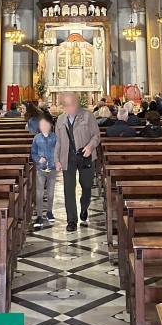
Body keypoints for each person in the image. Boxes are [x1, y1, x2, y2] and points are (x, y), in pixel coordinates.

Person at [54, 91, 101, 232]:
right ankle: (71, 220)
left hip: (85, 156)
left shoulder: (88, 116)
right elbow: (58, 141)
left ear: (77, 103)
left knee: (87, 185)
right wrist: (56, 160)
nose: (70, 107)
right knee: (68, 188)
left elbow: (96, 136)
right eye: (67, 105)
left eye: (72, 104)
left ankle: (84, 206)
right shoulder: (60, 120)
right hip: (67, 157)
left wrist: (90, 147)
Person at [30, 117, 58, 229]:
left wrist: (57, 162)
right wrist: (38, 159)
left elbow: (58, 151)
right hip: (40, 169)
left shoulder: (55, 137)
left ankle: (49, 212)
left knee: (50, 193)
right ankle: (39, 215)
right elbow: (33, 152)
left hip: (52, 168)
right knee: (39, 193)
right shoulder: (37, 138)